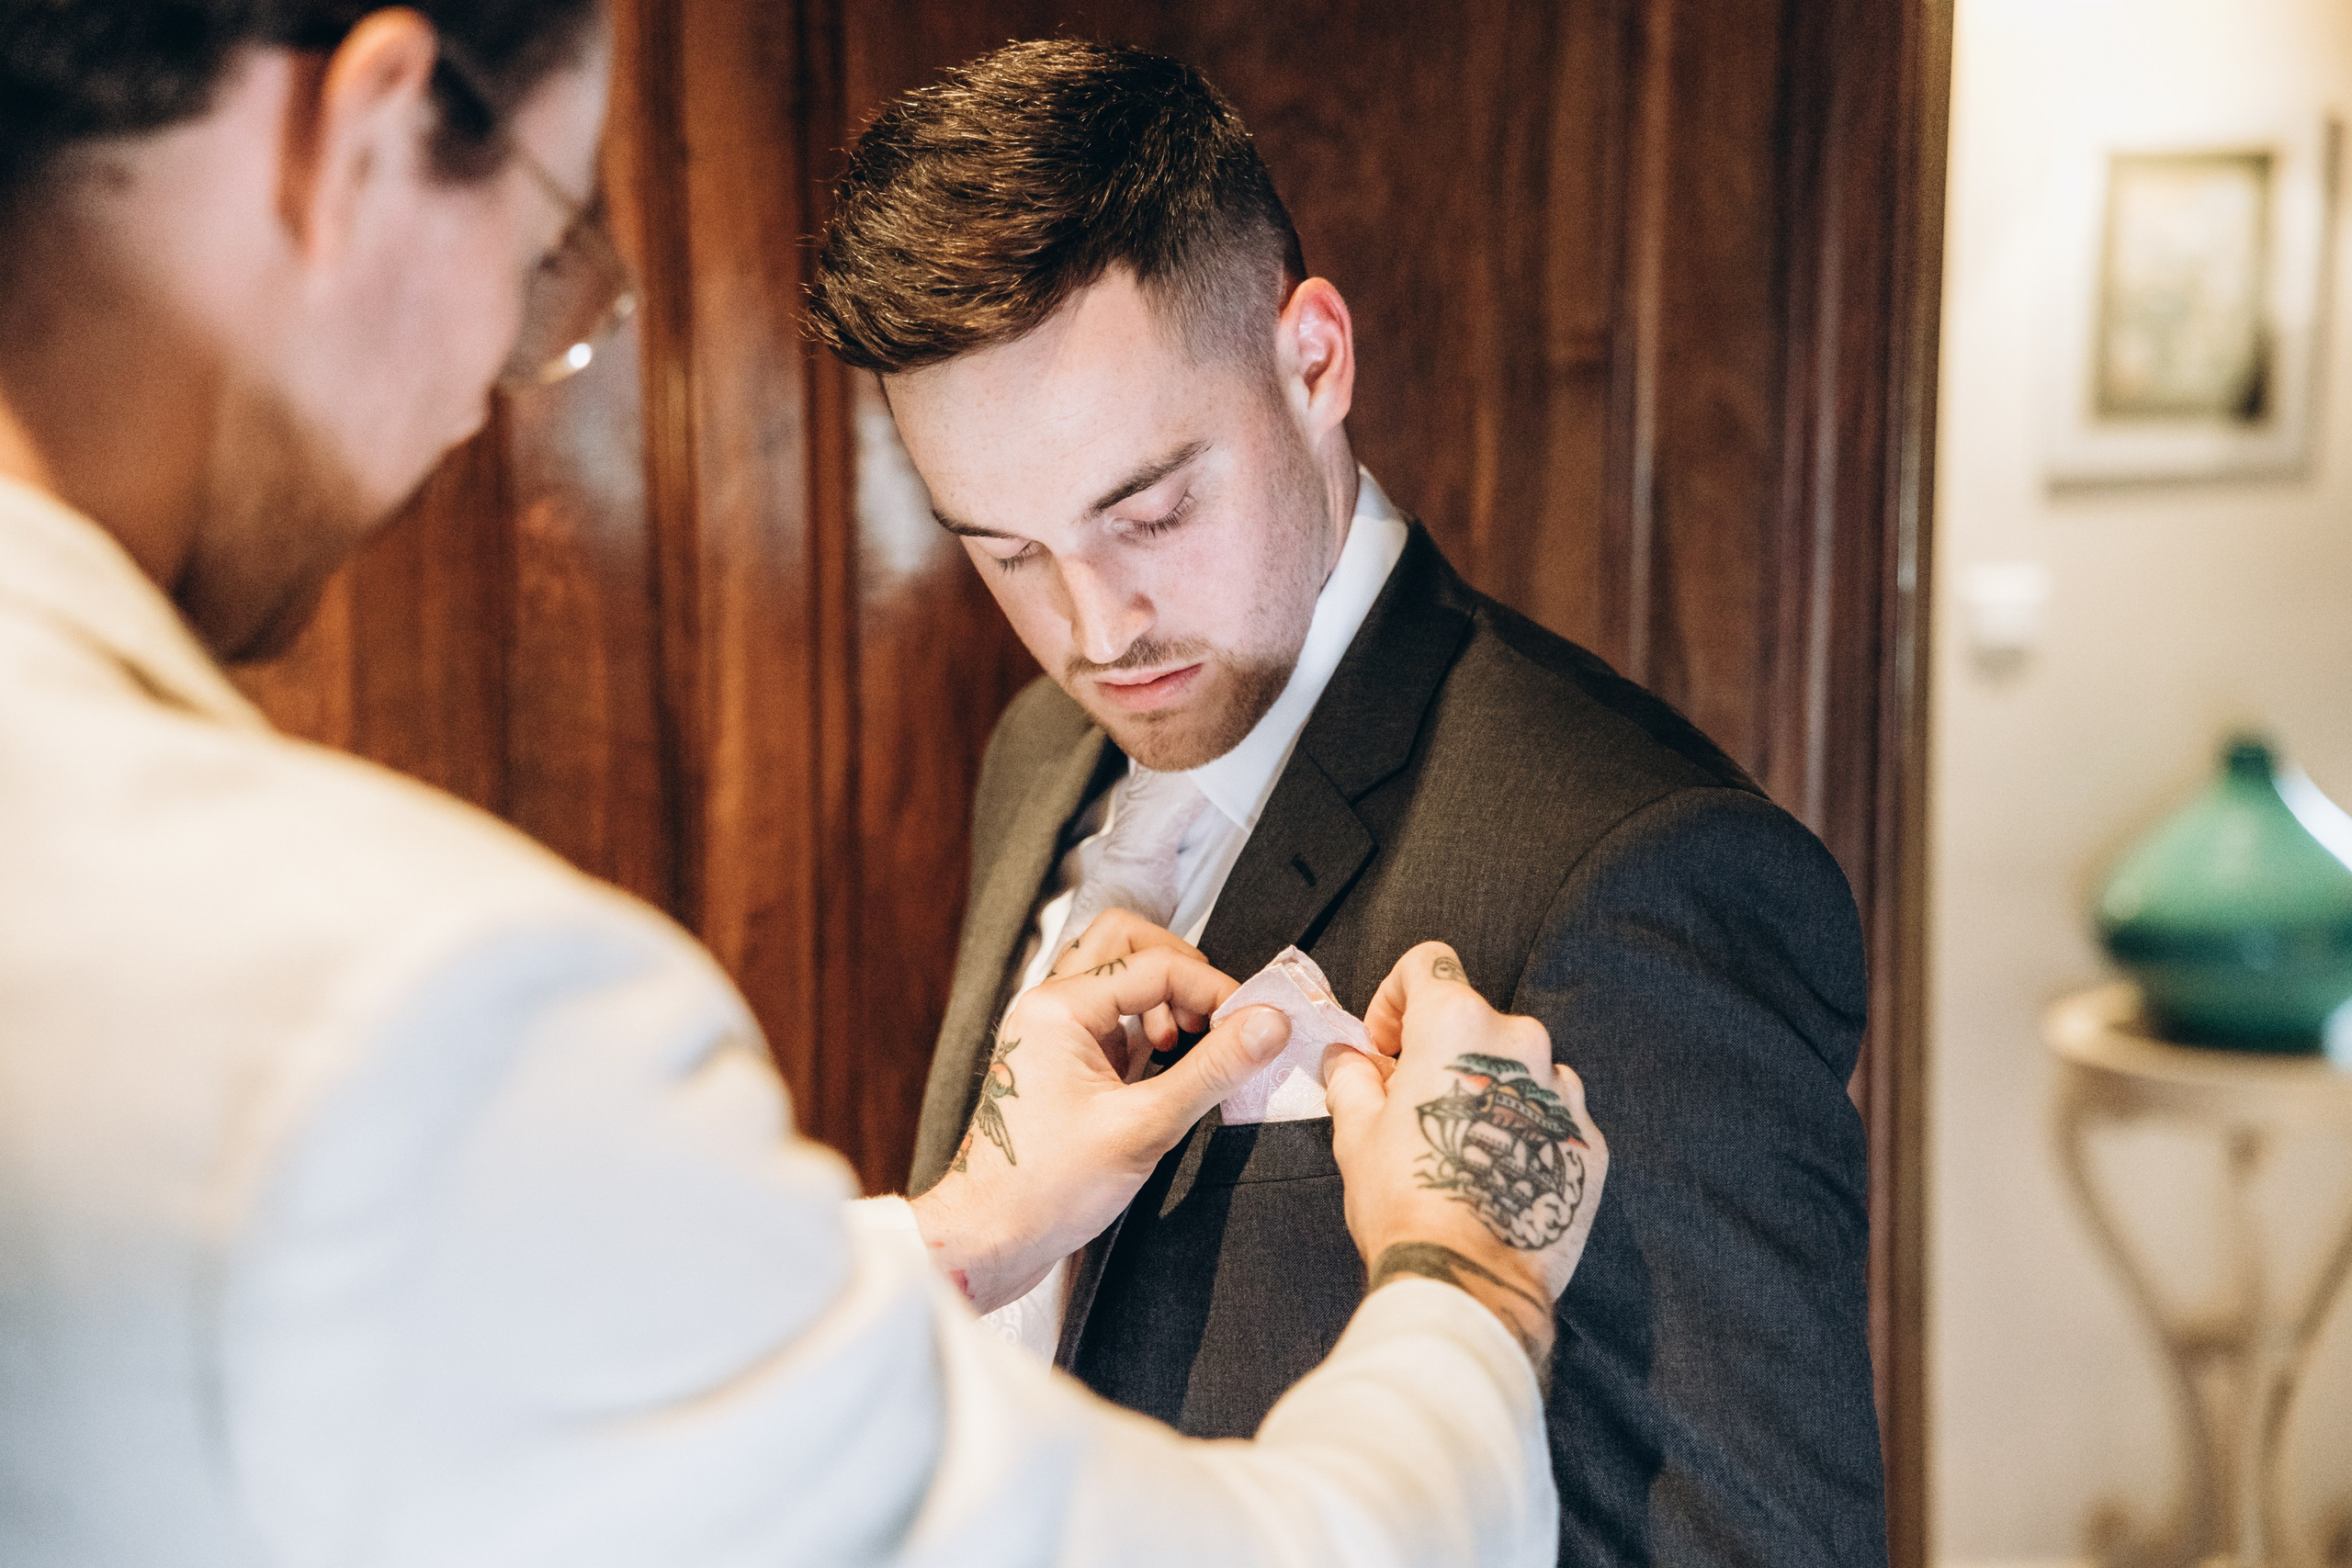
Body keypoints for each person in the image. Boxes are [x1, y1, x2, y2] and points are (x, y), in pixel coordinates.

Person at [0, 6, 1612, 1563]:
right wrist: (1473, 1283)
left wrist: (957, 1233)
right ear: (365, 139)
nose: (484, 393)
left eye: (1151, 509)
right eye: (540, 251)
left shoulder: (1630, 868)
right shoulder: (425, 1007)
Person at [808, 38, 1886, 1568]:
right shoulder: (1032, 761)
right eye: (1007, 551)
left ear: (1314, 360)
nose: (1095, 630)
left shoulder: (1649, 875)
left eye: (1151, 508)